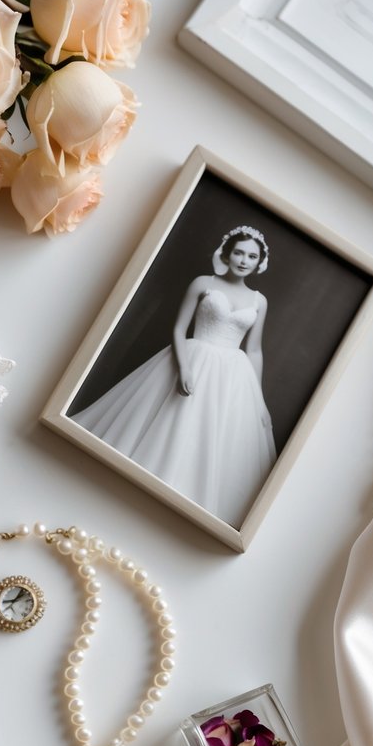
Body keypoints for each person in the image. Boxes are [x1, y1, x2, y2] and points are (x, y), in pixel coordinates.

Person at [72, 226, 277, 527]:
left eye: (252, 256)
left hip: (233, 373)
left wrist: (259, 401)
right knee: (170, 420)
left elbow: (255, 350)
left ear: (259, 261)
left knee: (212, 433)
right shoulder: (203, 283)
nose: (244, 260)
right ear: (228, 253)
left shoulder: (259, 301)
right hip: (194, 355)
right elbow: (179, 329)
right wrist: (185, 368)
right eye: (239, 253)